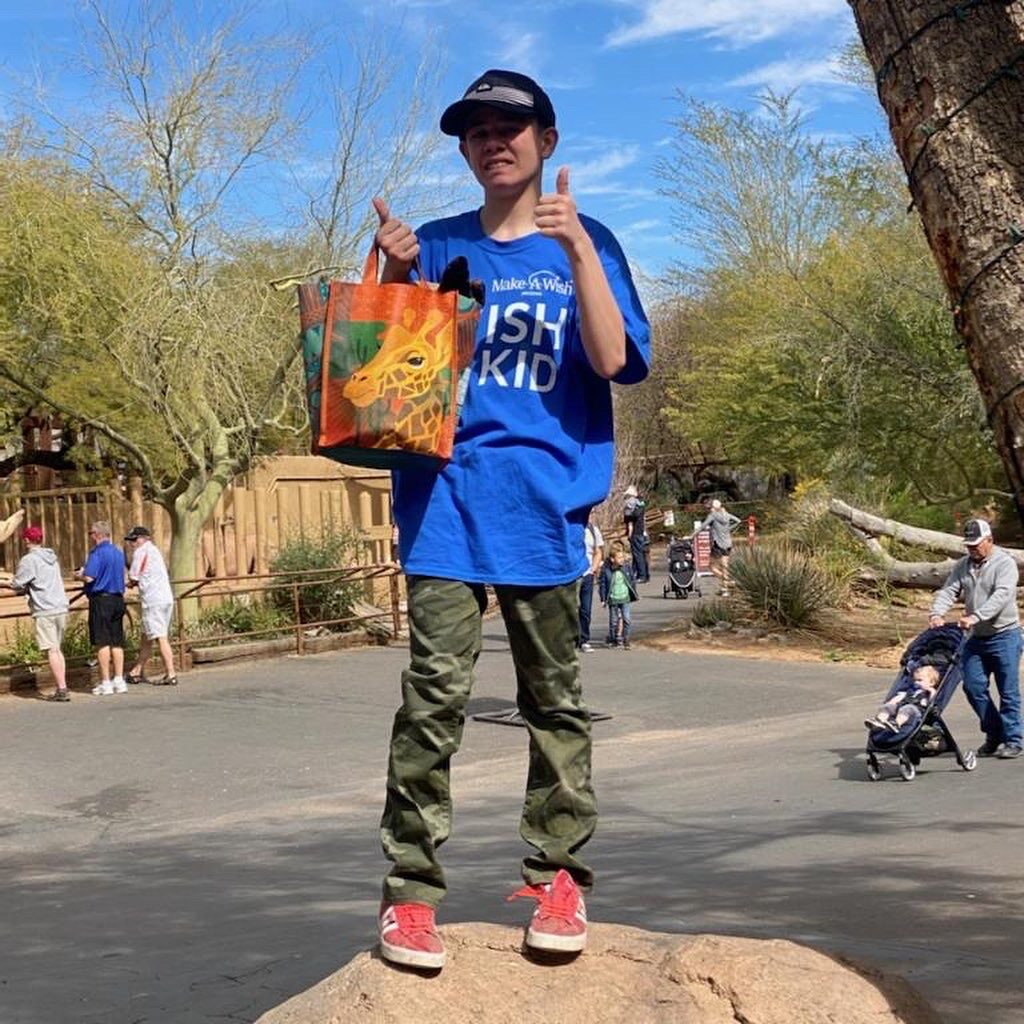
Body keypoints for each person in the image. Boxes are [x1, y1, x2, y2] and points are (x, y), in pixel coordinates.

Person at [371, 68, 650, 969]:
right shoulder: (441, 243)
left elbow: (612, 361)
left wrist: (573, 254)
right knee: (434, 702)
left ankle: (558, 877)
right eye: (477, 130)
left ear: (548, 142)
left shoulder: (589, 241)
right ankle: (410, 897)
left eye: (512, 127)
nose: (495, 140)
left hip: (543, 505)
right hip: (443, 502)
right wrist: (398, 279)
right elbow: (387, 379)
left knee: (553, 703)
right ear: (463, 148)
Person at [929, 518, 1022, 759]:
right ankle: (995, 733)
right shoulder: (964, 565)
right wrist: (937, 613)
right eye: (968, 545)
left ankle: (1014, 740)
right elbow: (950, 589)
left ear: (990, 540)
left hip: (1005, 635)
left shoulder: (1005, 564)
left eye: (976, 544)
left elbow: (1002, 596)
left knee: (1008, 691)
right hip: (976, 639)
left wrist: (976, 616)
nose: (972, 549)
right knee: (972, 687)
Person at [1, 525, 71, 701]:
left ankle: (62, 688)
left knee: (52, 650)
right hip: (60, 605)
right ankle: (63, 685)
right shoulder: (52, 557)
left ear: (26, 540)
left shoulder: (29, 560)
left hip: (44, 608)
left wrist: (4, 582)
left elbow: (18, 583)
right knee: (58, 649)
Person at [74, 520, 127, 697]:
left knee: (102, 641)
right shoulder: (118, 552)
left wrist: (78, 576)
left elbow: (89, 577)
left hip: (101, 600)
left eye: (90, 533)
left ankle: (105, 681)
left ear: (97, 535)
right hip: (118, 598)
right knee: (116, 640)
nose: (90, 537)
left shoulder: (97, 553)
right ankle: (119, 679)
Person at [124, 525, 177, 686]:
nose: (132, 543)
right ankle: (136, 671)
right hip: (165, 597)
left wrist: (127, 583)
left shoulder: (141, 552)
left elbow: (134, 576)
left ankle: (171, 673)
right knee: (146, 636)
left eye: (134, 540)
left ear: (143, 539)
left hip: (153, 601)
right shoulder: (155, 551)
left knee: (160, 637)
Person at [864, 664, 941, 733]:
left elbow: (933, 701)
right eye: (915, 680)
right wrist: (891, 703)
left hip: (916, 711)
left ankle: (896, 724)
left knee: (907, 708)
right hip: (902, 707)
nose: (916, 683)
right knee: (888, 707)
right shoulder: (910, 690)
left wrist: (931, 691)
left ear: (931, 683)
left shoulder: (928, 693)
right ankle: (879, 720)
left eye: (920, 680)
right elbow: (900, 697)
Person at [599, 545, 639, 649]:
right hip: (613, 599)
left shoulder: (626, 568)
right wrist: (603, 599)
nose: (622, 560)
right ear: (612, 559)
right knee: (613, 621)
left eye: (623, 557)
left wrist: (634, 592)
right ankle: (613, 639)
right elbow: (603, 584)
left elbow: (632, 581)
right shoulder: (606, 570)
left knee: (627, 619)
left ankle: (626, 639)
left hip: (625, 598)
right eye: (619, 558)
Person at [701, 498, 741, 597]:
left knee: (712, 566)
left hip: (718, 544)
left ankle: (728, 583)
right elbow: (738, 521)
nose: (708, 510)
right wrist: (728, 529)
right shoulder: (725, 515)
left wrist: (691, 536)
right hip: (728, 543)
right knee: (725, 566)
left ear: (713, 508)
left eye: (709, 508)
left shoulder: (713, 516)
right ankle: (725, 588)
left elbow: (702, 527)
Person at [578, 517, 604, 652]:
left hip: (588, 573)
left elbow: (598, 551)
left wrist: (593, 568)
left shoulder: (593, 530)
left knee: (585, 609)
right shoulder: (571, 527)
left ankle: (584, 639)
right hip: (572, 574)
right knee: (570, 608)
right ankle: (570, 639)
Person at [623, 484, 650, 583]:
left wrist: (628, 520)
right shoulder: (641, 503)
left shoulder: (633, 504)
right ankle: (642, 574)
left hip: (636, 532)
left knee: (638, 554)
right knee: (640, 553)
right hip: (640, 531)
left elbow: (629, 516)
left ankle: (642, 575)